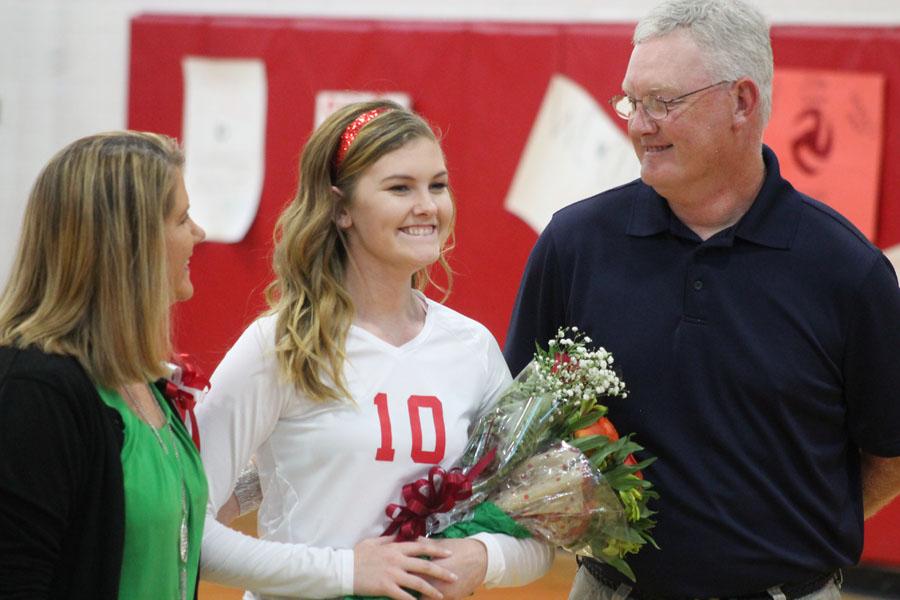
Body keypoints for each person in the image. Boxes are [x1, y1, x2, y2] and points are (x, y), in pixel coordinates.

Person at [504, 1, 900, 598]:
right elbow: (519, 421)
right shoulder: (574, 245)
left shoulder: (848, 271)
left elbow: (888, 455)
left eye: (662, 101)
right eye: (631, 101)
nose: (639, 123)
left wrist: (779, 544)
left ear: (743, 102)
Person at [196, 100, 554, 600]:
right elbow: (192, 534)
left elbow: (539, 531)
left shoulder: (472, 347)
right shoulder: (281, 345)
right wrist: (346, 572)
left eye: (438, 185)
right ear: (341, 208)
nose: (428, 206)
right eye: (399, 188)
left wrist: (484, 557)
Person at [0, 131, 208, 599]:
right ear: (130, 245)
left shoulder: (139, 377)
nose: (199, 233)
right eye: (182, 218)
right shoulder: (34, 390)